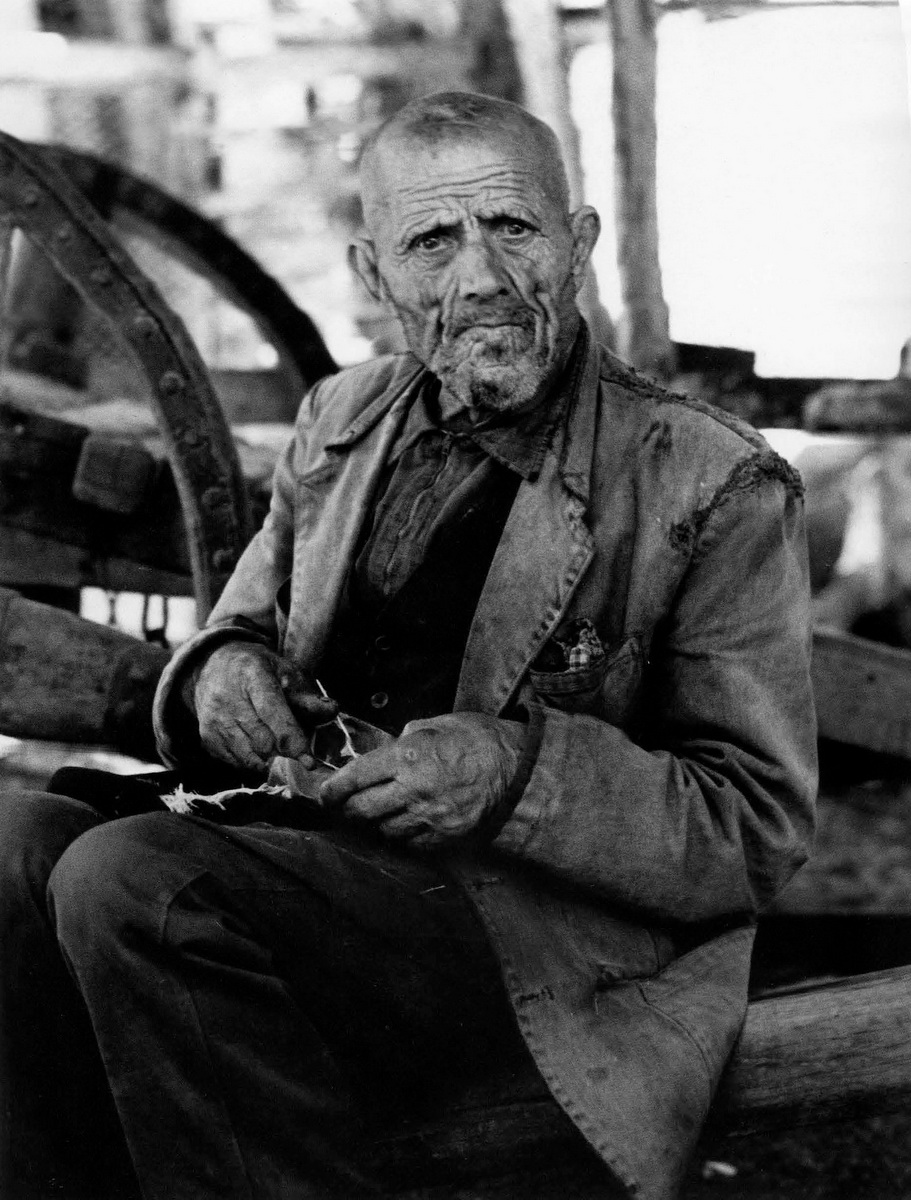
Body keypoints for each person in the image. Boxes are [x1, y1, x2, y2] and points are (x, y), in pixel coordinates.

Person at [0, 91, 817, 1200]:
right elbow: (240, 629)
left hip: (531, 925)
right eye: (432, 240)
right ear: (372, 272)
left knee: (136, 883)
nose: (480, 278)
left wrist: (512, 775)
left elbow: (751, 830)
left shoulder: (708, 480)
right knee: (15, 844)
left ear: (577, 243)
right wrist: (221, 678)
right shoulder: (340, 420)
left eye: (512, 227)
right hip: (312, 861)